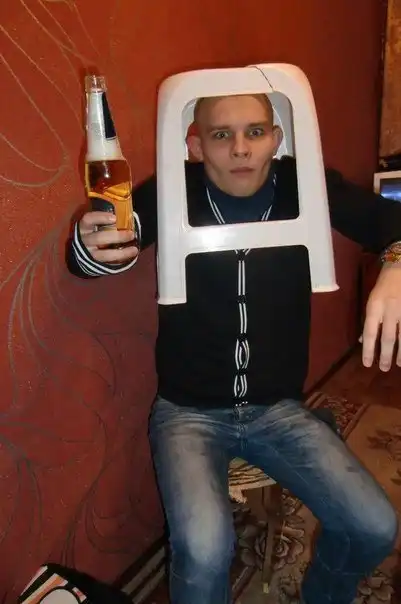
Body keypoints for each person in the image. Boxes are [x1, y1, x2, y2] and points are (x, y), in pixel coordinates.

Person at [66, 93, 401, 604]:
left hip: (277, 409)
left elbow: (390, 222)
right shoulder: (172, 190)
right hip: (188, 413)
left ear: (276, 139)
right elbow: (104, 253)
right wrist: (90, 247)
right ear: (196, 145)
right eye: (222, 135)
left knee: (374, 526)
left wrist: (396, 261)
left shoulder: (303, 184)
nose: (241, 148)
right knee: (204, 550)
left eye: (255, 132)